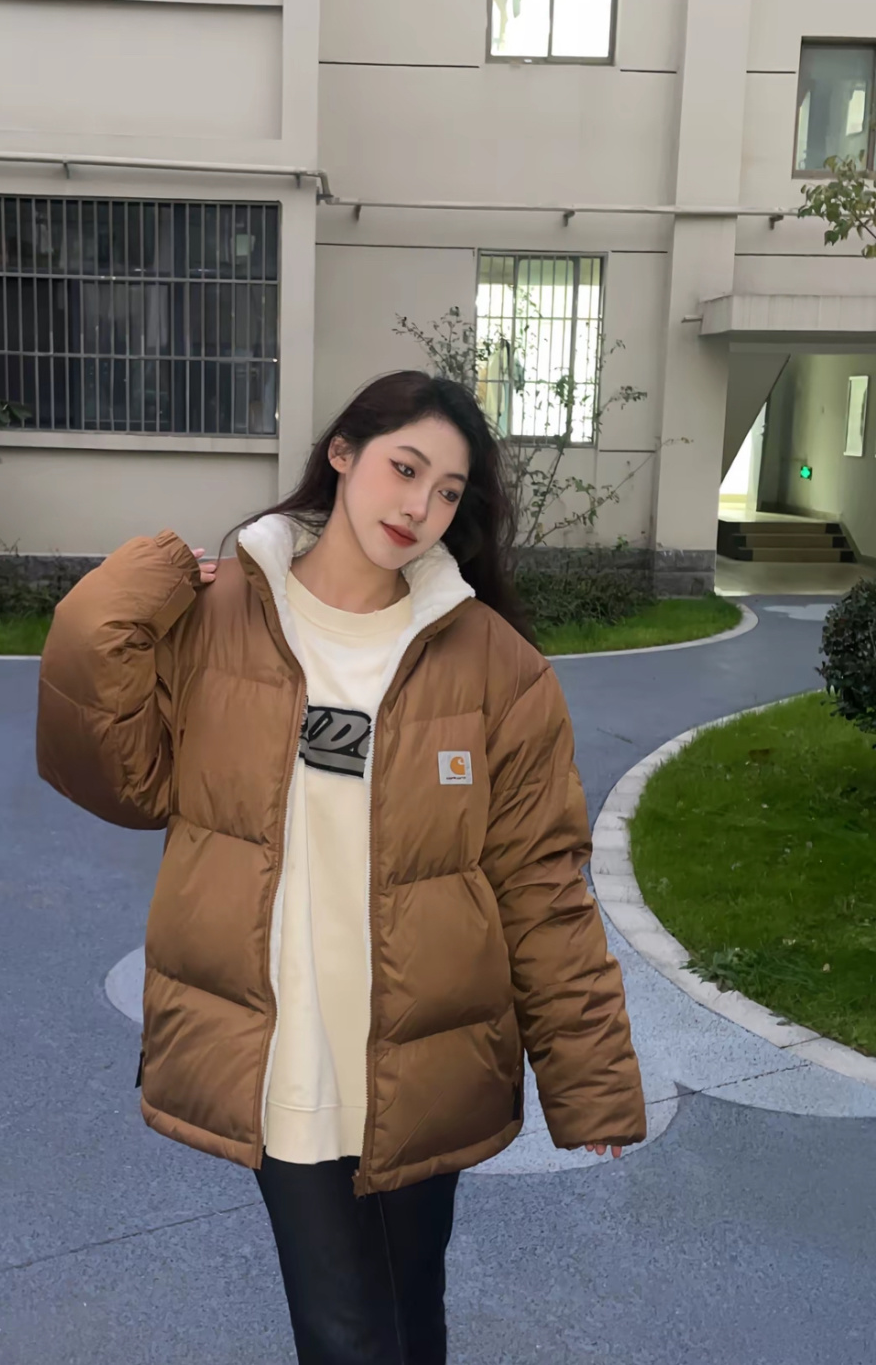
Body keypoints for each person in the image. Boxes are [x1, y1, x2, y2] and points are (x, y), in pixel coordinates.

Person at [36, 370, 647, 1365]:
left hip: (428, 1062)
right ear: (343, 454)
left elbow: (540, 883)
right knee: (346, 1336)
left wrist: (591, 1077)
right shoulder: (219, 619)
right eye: (404, 469)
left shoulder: (495, 667)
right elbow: (115, 779)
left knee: (410, 1315)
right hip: (282, 1060)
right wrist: (126, 591)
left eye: (447, 491)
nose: (419, 506)